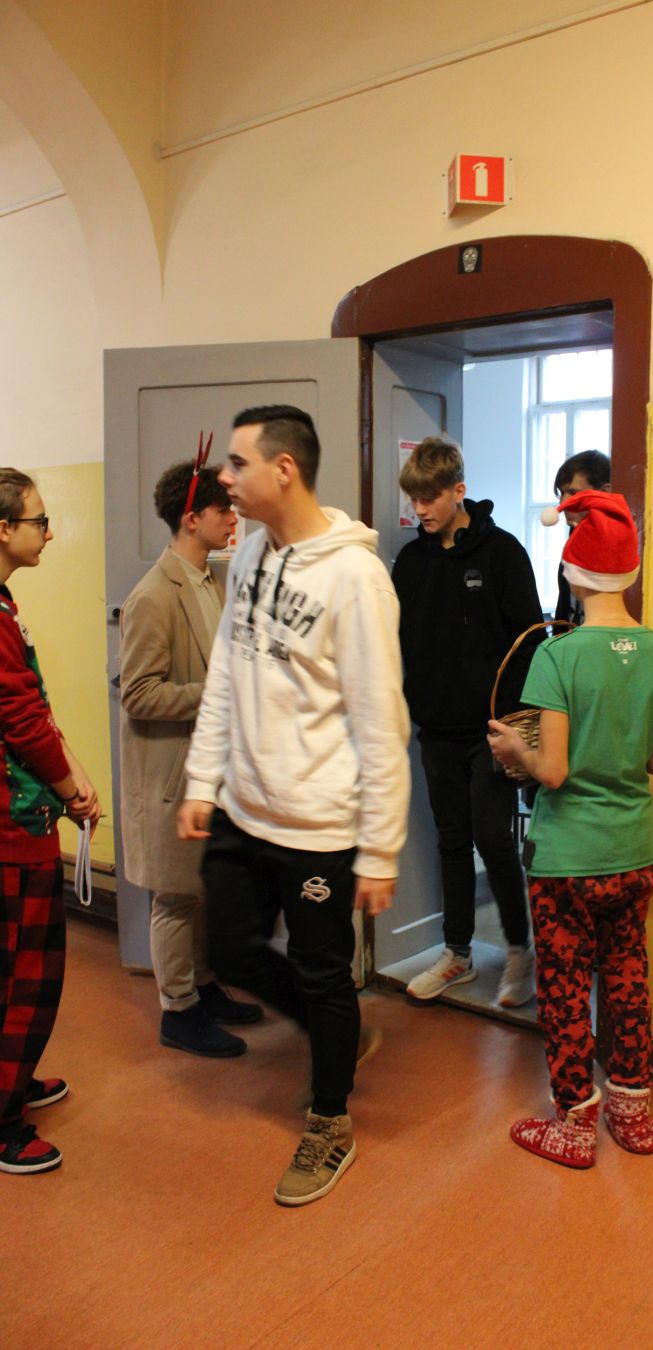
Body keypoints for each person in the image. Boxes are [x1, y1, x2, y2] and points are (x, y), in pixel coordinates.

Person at [177, 405, 410, 1208]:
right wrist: (203, 781)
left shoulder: (356, 579)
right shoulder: (247, 553)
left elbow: (381, 721)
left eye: (237, 464)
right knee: (233, 952)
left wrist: (379, 849)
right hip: (244, 809)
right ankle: (331, 1034)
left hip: (319, 827)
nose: (224, 479)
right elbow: (226, 673)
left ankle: (331, 1120)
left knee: (323, 974)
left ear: (284, 470)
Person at [488, 489, 653, 1168]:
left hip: (567, 858)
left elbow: (552, 770)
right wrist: (620, 752)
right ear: (629, 572)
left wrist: (513, 748)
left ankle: (574, 1124)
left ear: (572, 573)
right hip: (634, 850)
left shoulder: (559, 655)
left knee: (566, 987)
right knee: (627, 976)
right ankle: (632, 1112)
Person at [392, 437, 543, 1007]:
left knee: (493, 841)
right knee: (451, 841)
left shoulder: (502, 553)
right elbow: (399, 642)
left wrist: (512, 721)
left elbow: (529, 642)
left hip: (491, 732)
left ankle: (519, 951)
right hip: (436, 728)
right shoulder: (411, 562)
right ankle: (457, 953)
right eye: (414, 499)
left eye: (430, 498)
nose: (421, 510)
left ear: (459, 490)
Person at [119, 461, 262, 1058]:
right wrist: (218, 692)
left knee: (204, 887)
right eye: (223, 510)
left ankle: (202, 986)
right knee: (175, 896)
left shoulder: (211, 580)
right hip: (170, 773)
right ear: (191, 517)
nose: (234, 520)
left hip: (210, 770)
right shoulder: (153, 595)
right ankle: (177, 1011)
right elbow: (138, 694)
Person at [0, 469, 102, 1174]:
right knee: (26, 976)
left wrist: (73, 776)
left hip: (20, 817)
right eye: (38, 520)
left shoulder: (6, 606)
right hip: (14, 828)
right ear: (4, 529)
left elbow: (32, 711)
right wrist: (70, 789)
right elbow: (22, 721)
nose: (49, 531)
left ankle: (12, 1078)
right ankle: (4, 1121)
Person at [552, 449, 611, 625]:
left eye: (573, 493)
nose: (563, 503)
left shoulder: (616, 544)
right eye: (561, 493)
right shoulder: (575, 537)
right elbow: (564, 604)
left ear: (604, 492)